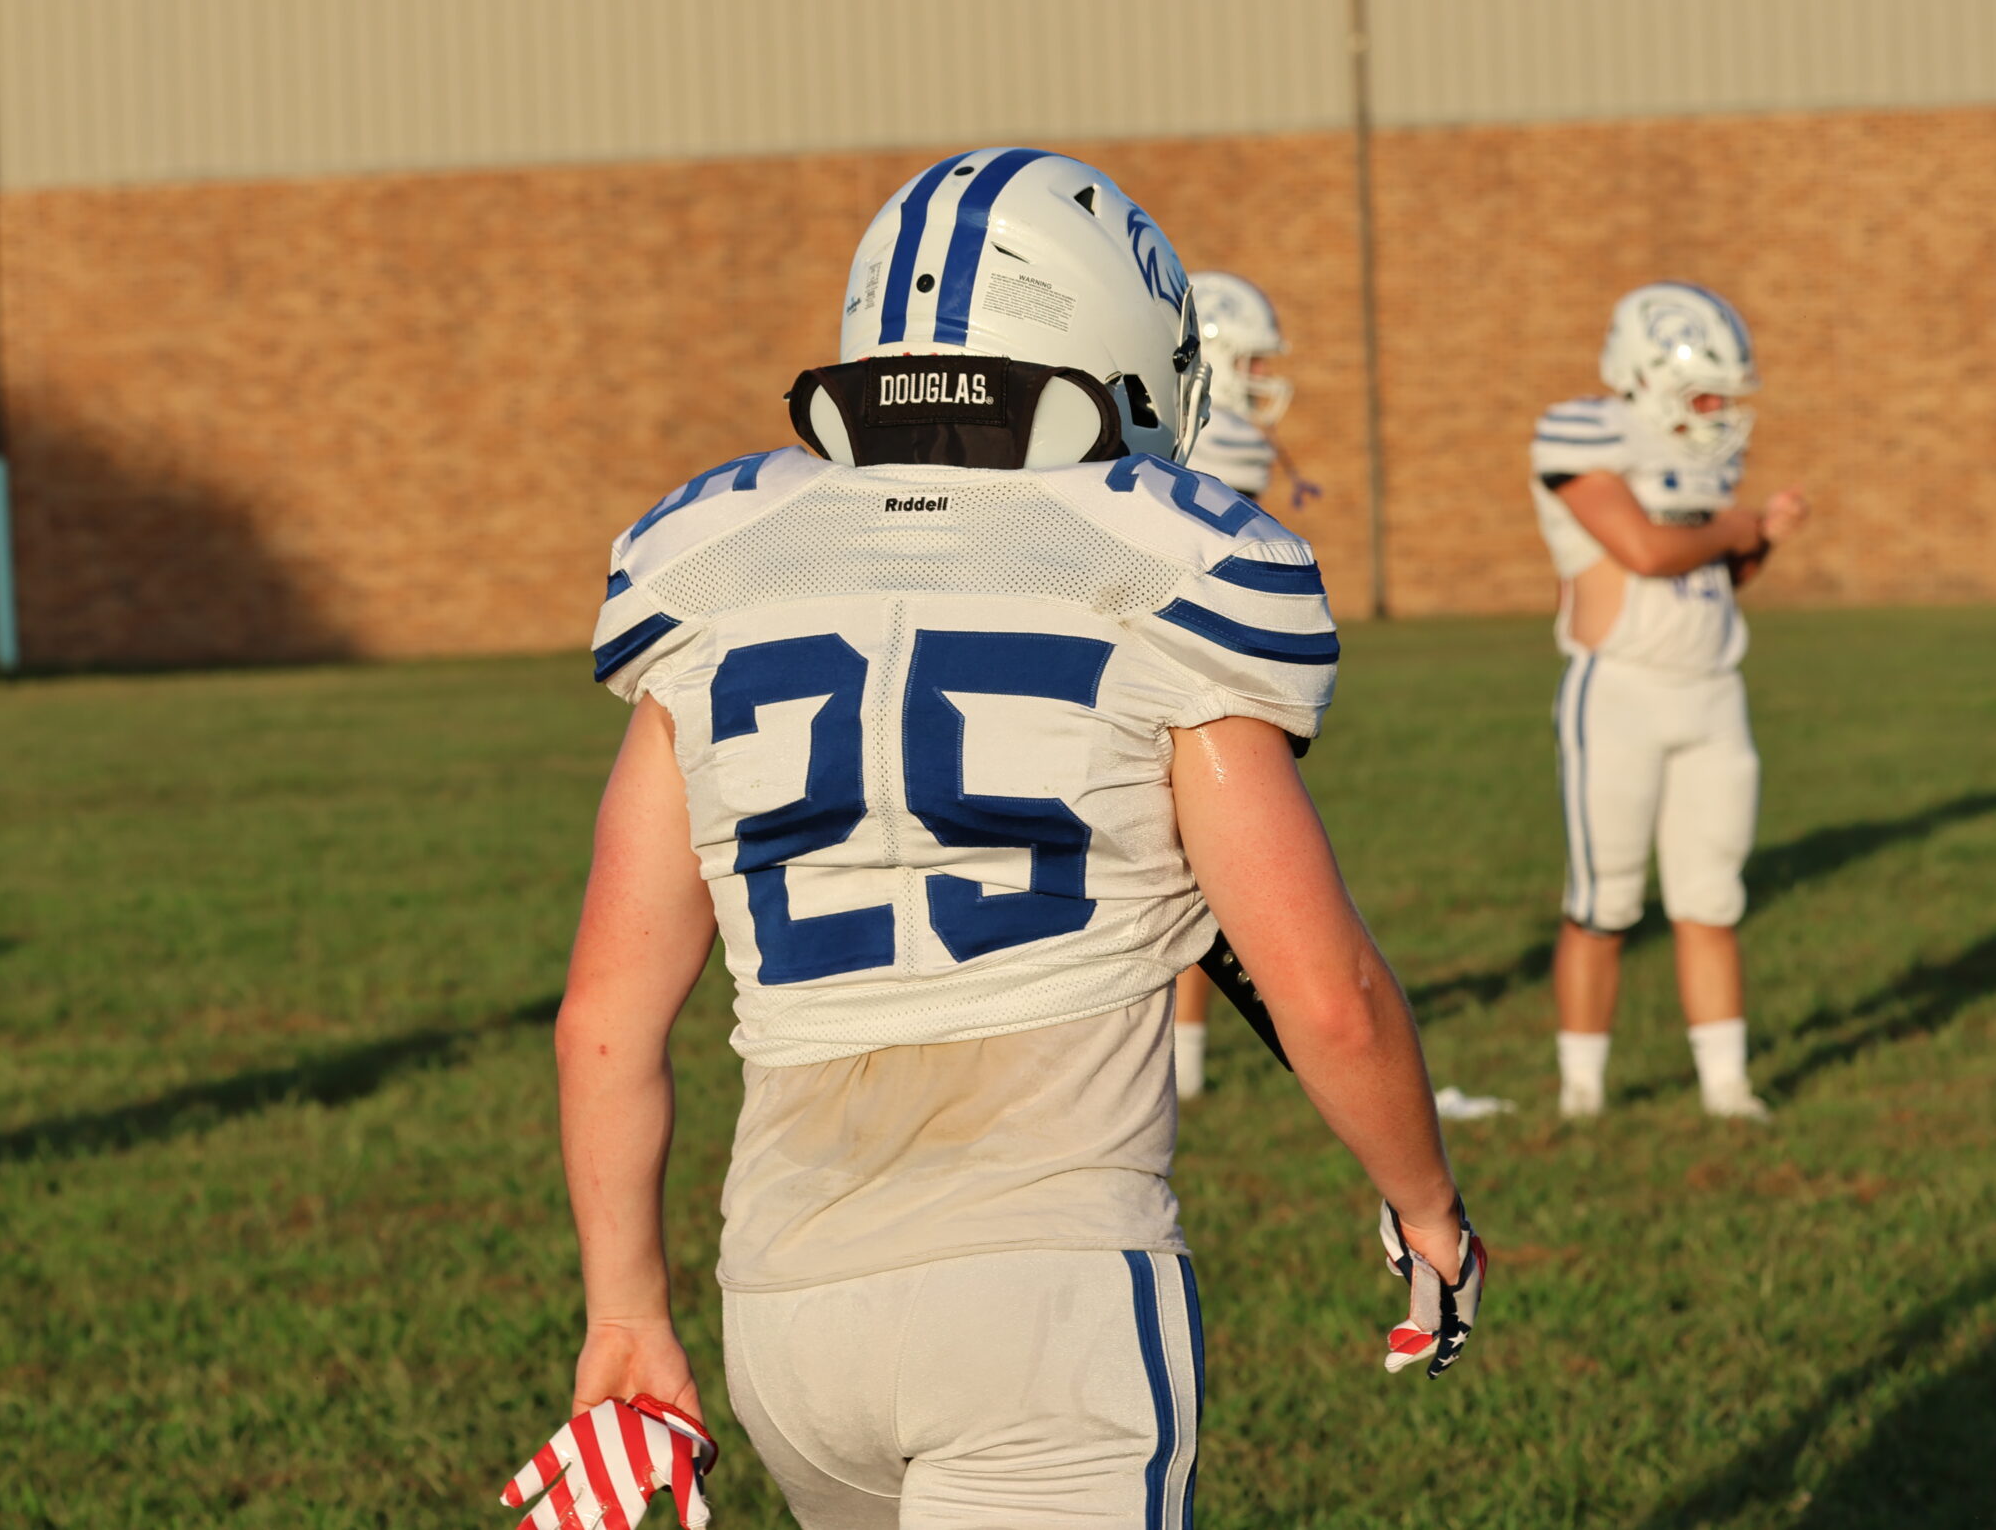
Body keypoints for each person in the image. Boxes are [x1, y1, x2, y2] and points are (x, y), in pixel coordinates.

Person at [505, 149, 1485, 1530]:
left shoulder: (719, 570)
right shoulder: (1159, 567)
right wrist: (1425, 1204)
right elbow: (1327, 993)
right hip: (1045, 1292)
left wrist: (623, 1313)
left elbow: (603, 1022)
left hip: (787, 1307)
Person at [1528, 283, 1809, 1122]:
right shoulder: (1584, 434)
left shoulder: (1705, 456)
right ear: (1649, 375)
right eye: (1704, 392)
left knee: (1712, 898)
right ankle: (1582, 1092)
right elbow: (1647, 550)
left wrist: (1760, 538)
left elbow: (1715, 574)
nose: (1719, 411)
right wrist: (1739, 525)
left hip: (1714, 689)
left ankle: (1727, 1085)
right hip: (1621, 690)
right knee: (1604, 902)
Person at [1166, 268, 1303, 1099]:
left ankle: (1181, 1065)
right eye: (1247, 363)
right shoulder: (1215, 457)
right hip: (1197, 685)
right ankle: (1179, 1065)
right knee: (1196, 884)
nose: (1261, 380)